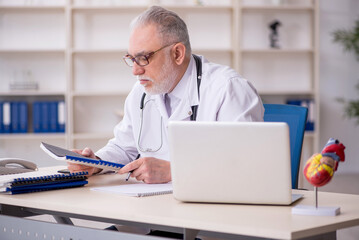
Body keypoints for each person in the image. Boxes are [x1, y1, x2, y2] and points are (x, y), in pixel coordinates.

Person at [68, 6, 264, 184]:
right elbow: (123, 147)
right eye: (131, 58)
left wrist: (175, 172)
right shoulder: (142, 92)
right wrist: (96, 163)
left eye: (143, 58)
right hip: (153, 212)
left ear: (177, 54)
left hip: (210, 215)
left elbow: (247, 166)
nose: (135, 71)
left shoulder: (228, 89)